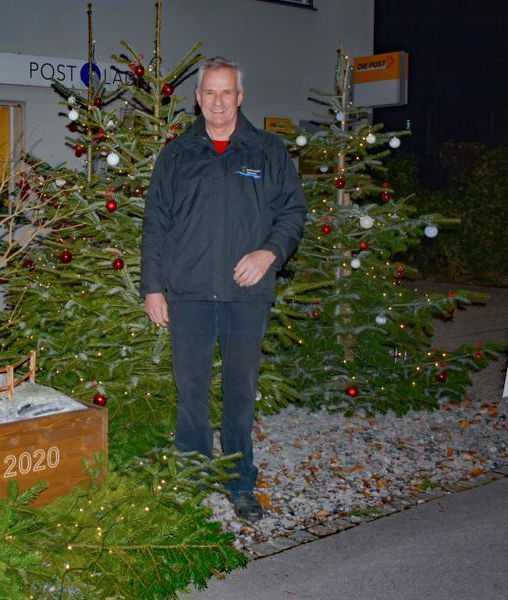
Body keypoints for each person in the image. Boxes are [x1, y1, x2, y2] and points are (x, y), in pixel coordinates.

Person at [140, 57, 306, 521]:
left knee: (239, 392)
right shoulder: (177, 155)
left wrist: (268, 253)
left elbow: (293, 213)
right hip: (189, 294)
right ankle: (192, 480)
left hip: (245, 297)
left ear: (240, 96)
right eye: (209, 93)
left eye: (226, 92)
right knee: (190, 390)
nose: (217, 101)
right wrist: (153, 287)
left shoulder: (267, 152)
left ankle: (239, 482)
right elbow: (155, 224)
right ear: (197, 98)